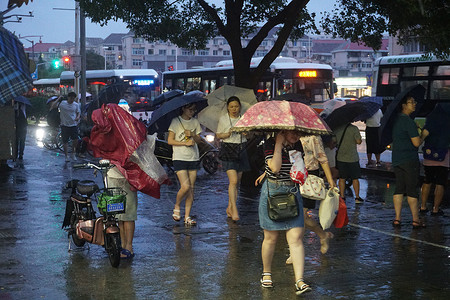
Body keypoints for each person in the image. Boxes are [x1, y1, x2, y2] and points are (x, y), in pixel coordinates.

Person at [255, 130, 311, 296]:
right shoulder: (270, 143)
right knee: (271, 238)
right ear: (282, 130)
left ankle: (299, 280)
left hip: (293, 192)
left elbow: (298, 169)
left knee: (296, 238)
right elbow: (275, 168)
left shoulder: (298, 145)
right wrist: (278, 144)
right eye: (292, 132)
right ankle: (266, 273)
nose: (296, 135)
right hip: (272, 191)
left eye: (299, 132)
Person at [391, 95, 427, 229]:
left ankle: (397, 218)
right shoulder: (408, 121)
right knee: (412, 189)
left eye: (414, 101)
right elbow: (416, 143)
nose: (414, 104)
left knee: (399, 188)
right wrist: (423, 134)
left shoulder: (397, 120)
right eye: (411, 102)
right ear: (403, 105)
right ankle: (416, 220)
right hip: (409, 160)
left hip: (397, 159)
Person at [215, 96, 251, 221]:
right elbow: (219, 135)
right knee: (233, 181)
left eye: (236, 106)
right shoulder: (224, 119)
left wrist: (246, 132)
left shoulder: (244, 119)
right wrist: (228, 133)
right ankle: (234, 208)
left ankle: (230, 206)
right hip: (228, 149)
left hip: (241, 149)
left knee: (238, 182)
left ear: (240, 106)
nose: (234, 109)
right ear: (228, 108)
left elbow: (250, 134)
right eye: (231, 107)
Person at [168, 103, 203, 226]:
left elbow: (199, 139)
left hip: (193, 157)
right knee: (185, 186)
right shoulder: (175, 121)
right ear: (183, 108)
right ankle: (177, 206)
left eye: (194, 110)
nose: (192, 112)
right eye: (190, 109)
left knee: (191, 189)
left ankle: (187, 216)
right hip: (179, 157)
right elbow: (170, 140)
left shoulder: (195, 122)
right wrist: (184, 144)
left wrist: (193, 135)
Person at [419, 106, 450, 216]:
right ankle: (435, 209)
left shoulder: (431, 120)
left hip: (429, 156)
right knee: (440, 183)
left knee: (427, 181)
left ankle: (423, 206)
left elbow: (423, 136)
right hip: (444, 156)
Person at [107, 166, 138, 259]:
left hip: (129, 177)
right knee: (118, 214)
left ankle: (128, 246)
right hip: (112, 175)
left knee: (128, 214)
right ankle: (123, 244)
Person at [334, 123, 364, 203]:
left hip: (341, 157)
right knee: (355, 178)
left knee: (342, 178)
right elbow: (358, 141)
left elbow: (334, 141)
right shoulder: (354, 128)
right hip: (352, 157)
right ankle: (357, 197)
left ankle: (342, 196)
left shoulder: (337, 128)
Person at [56, 92, 81, 162]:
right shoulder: (62, 103)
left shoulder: (76, 105)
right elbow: (54, 106)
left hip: (73, 124)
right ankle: (66, 156)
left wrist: (78, 117)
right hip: (64, 125)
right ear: (68, 97)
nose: (72, 100)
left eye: (73, 98)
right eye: (71, 98)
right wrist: (58, 99)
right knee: (65, 141)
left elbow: (78, 112)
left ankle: (73, 153)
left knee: (76, 139)